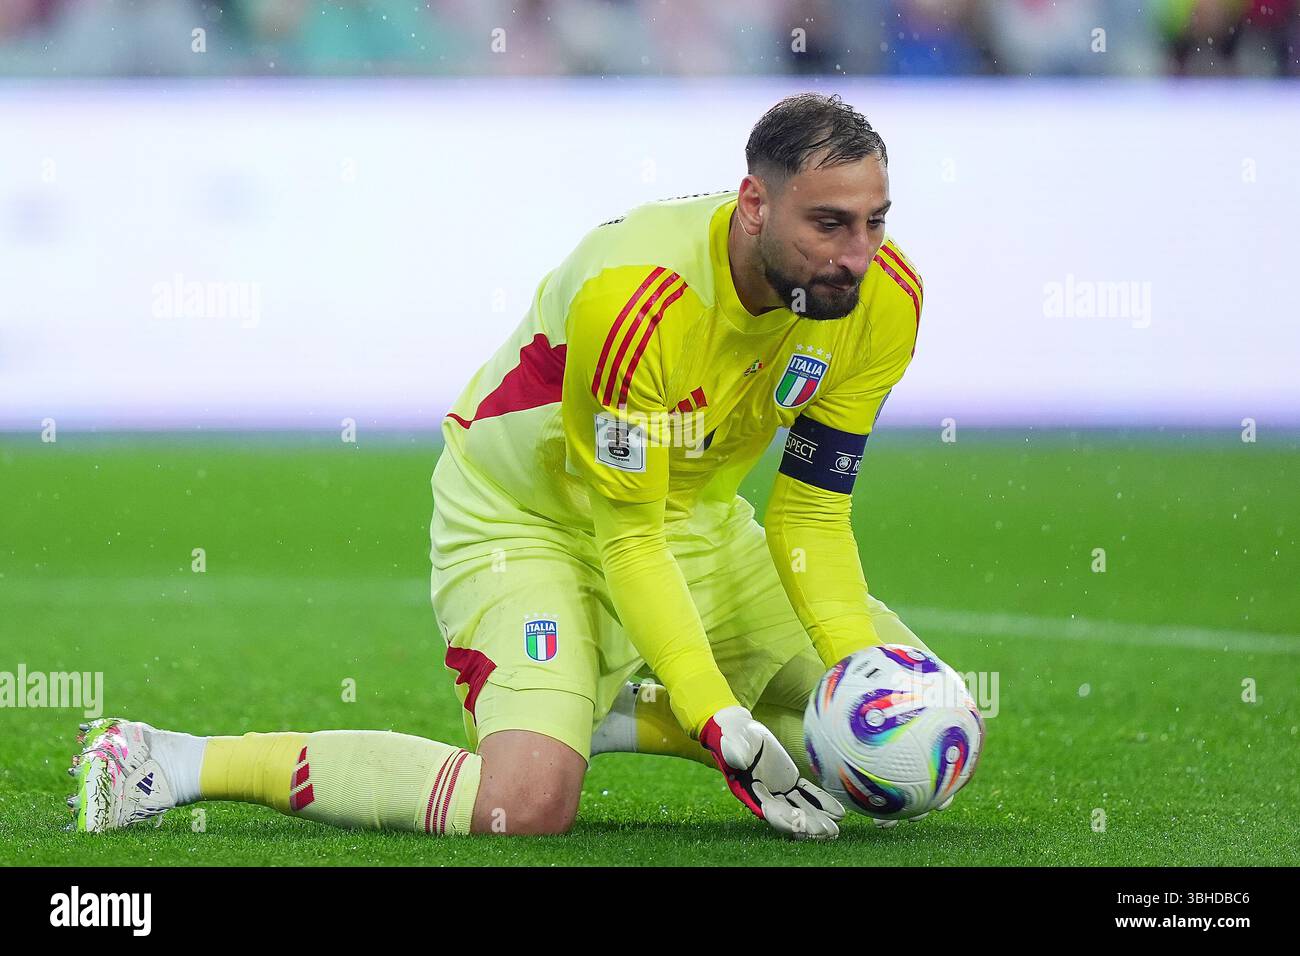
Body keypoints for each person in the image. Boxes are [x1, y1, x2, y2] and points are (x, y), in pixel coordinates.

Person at [69, 92, 930, 841]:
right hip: (530, 523)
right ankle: (174, 762)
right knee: (523, 805)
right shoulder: (642, 303)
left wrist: (861, 680)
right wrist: (712, 716)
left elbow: (813, 512)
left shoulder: (881, 299)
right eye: (828, 224)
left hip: (697, 526)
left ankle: (610, 704)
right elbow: (626, 541)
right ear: (753, 204)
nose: (856, 253)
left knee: (915, 731)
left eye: (874, 220)